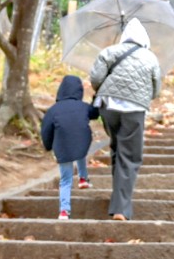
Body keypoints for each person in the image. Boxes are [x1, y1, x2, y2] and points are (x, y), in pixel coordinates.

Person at [89, 17, 162, 221]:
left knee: (118, 148)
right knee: (130, 155)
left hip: (108, 106)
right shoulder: (150, 58)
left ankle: (118, 195)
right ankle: (121, 208)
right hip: (134, 109)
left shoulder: (109, 52)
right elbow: (156, 90)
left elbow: (95, 79)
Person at [40, 74, 99, 220]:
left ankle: (64, 211)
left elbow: (46, 130)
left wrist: (48, 146)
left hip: (62, 147)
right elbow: (95, 114)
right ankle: (83, 179)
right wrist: (96, 99)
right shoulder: (83, 107)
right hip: (82, 142)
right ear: (79, 91)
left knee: (65, 180)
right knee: (80, 152)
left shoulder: (53, 110)